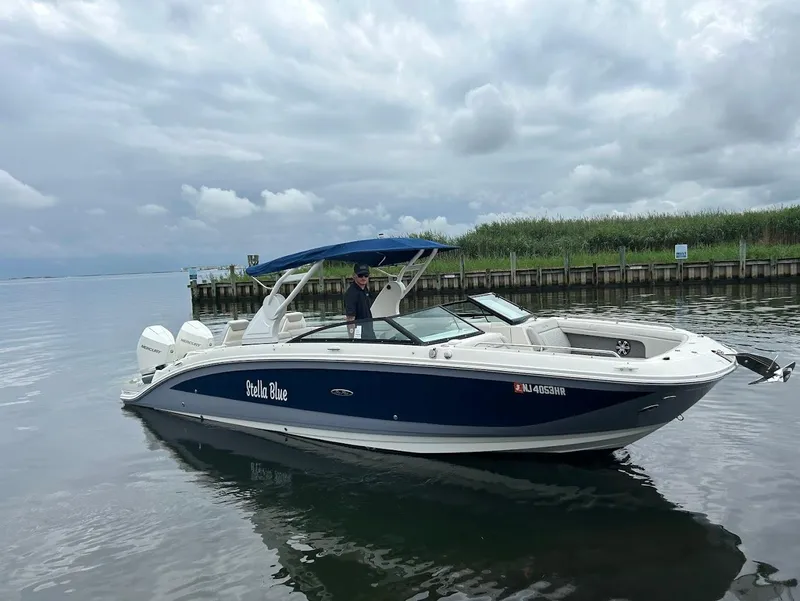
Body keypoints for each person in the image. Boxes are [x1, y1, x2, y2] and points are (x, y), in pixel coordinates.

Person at [344, 263, 375, 339]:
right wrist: (352, 339)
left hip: (369, 330)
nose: (363, 278)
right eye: (360, 275)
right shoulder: (351, 294)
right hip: (360, 335)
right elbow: (350, 319)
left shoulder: (365, 289)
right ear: (354, 276)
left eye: (366, 275)